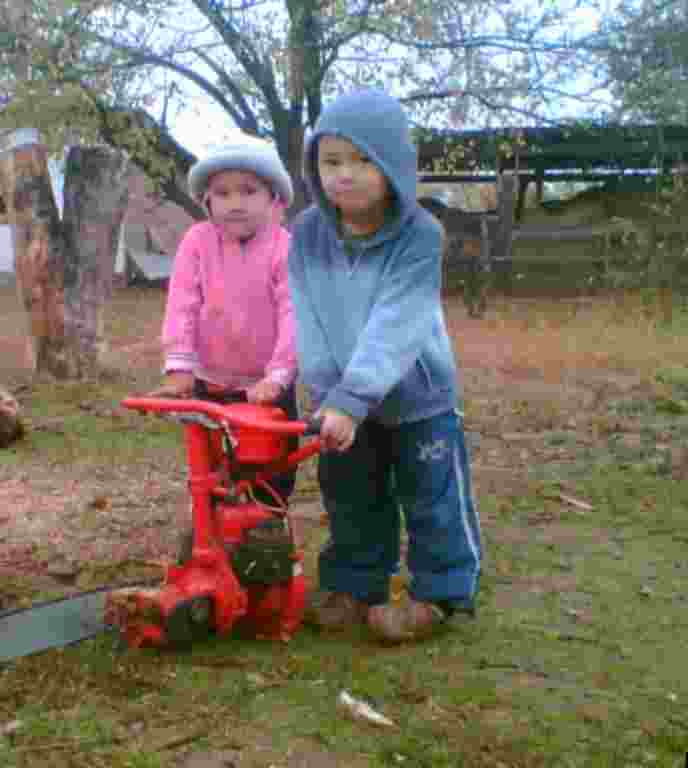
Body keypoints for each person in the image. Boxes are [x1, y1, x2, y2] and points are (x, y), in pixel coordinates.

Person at [288, 89, 483, 643]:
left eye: (362, 159)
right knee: (350, 496)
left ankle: (442, 595)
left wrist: (354, 396)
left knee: (432, 497)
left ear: (394, 165)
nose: (345, 174)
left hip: (418, 398)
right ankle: (354, 585)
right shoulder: (306, 234)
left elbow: (398, 323)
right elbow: (308, 315)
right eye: (331, 161)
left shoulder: (419, 235)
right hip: (344, 404)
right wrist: (330, 393)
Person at [150, 139, 299, 504]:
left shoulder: (285, 247)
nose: (235, 203)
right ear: (207, 201)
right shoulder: (197, 242)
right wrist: (180, 366)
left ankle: (271, 544)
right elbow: (182, 304)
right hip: (209, 383)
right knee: (214, 476)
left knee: (271, 476)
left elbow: (293, 314)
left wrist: (279, 375)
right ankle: (218, 544)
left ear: (273, 197)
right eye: (222, 193)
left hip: (268, 387)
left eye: (249, 191)